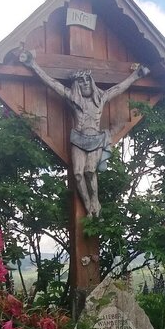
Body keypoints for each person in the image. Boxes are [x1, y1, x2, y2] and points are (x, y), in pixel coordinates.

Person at [18, 48, 150, 217]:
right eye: (81, 82)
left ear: (91, 82)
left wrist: (136, 75)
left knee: (89, 171)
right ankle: (88, 207)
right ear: (77, 85)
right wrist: (33, 65)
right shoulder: (72, 98)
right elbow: (51, 83)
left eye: (88, 80)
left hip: (95, 139)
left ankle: (95, 202)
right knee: (78, 174)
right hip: (78, 138)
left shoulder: (101, 98)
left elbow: (119, 88)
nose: (85, 84)